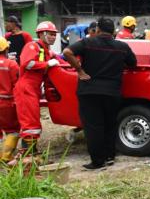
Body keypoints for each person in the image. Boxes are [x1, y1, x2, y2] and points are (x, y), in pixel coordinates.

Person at [63, 17, 137, 170]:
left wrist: (80, 71)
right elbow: (133, 64)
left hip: (89, 91)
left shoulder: (87, 42)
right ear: (114, 31)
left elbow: (67, 51)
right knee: (110, 124)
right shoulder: (122, 46)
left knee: (93, 127)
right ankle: (109, 157)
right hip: (112, 92)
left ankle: (97, 161)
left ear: (97, 29)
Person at [14, 21, 61, 155]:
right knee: (29, 122)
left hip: (33, 88)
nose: (53, 37)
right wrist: (47, 63)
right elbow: (27, 63)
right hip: (26, 87)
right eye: (51, 34)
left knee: (34, 120)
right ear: (42, 34)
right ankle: (28, 154)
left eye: (54, 35)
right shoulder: (32, 46)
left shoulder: (46, 50)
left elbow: (59, 60)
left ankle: (31, 152)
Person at [0, 37, 20, 161]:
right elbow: (17, 84)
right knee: (13, 130)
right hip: (7, 103)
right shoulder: (11, 64)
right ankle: (6, 157)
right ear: (6, 49)